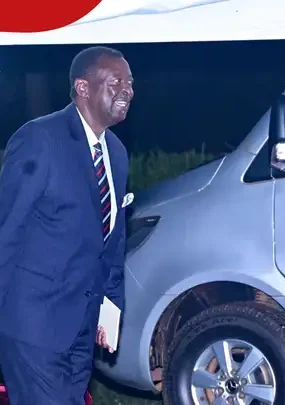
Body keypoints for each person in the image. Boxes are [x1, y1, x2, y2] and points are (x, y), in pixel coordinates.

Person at [0, 46, 133, 405]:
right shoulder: (39, 139)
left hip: (81, 327)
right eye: (116, 81)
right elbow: (6, 231)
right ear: (82, 87)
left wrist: (110, 309)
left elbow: (113, 241)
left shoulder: (116, 152)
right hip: (32, 325)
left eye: (130, 83)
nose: (127, 90)